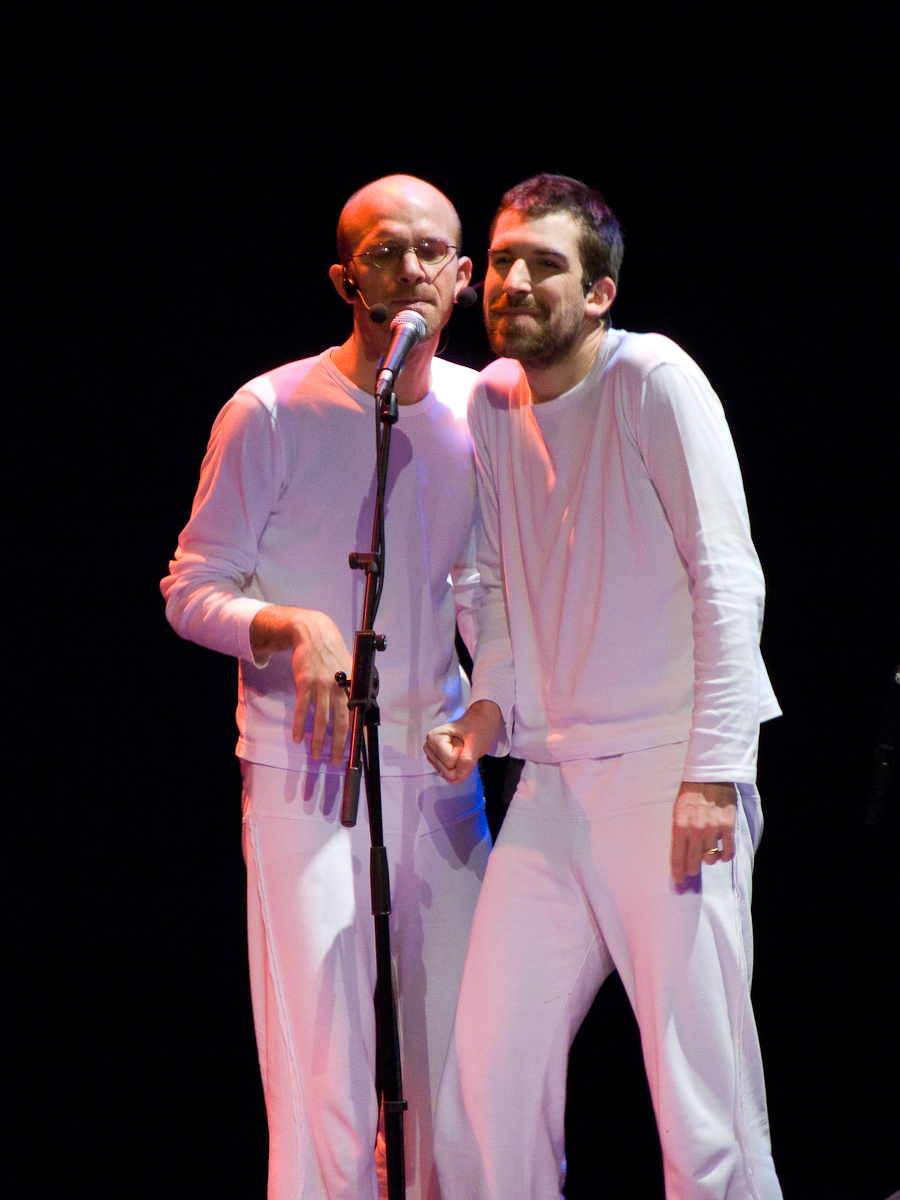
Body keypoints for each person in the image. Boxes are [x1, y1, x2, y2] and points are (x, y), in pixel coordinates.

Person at [426, 175, 784, 1199]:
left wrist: (714, 771)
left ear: (598, 292)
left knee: (702, 1096)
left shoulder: (653, 379)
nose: (513, 280)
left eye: (544, 263)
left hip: (669, 772)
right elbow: (488, 581)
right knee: (487, 1081)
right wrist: (488, 708)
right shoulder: (493, 399)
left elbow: (727, 576)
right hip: (553, 783)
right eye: (502, 260)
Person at [161, 175, 491, 1200]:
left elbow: (485, 588)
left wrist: (496, 703)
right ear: (347, 279)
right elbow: (190, 588)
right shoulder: (270, 410)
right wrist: (289, 625)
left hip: (438, 771)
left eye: (432, 252)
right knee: (321, 1071)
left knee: (466, 1062)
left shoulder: (487, 408)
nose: (411, 271)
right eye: (385, 251)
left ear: (464, 277)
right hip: (305, 772)